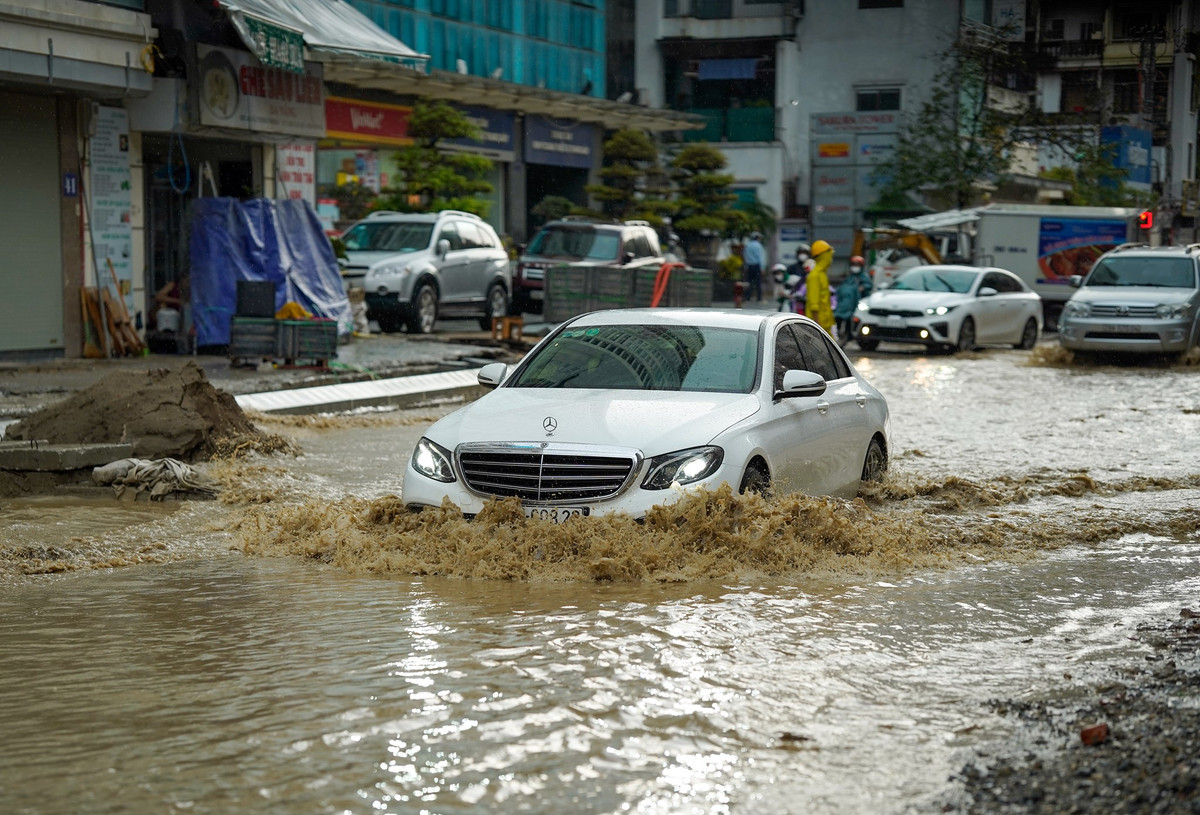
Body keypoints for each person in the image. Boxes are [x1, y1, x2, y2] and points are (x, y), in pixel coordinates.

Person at [834, 254, 873, 345]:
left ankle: (849, 335)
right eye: (853, 265)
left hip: (855, 304)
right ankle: (840, 334)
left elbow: (868, 286)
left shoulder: (864, 277)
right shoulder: (849, 277)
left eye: (857, 265)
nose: (855, 267)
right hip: (844, 304)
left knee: (849, 320)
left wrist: (862, 288)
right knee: (838, 318)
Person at [806, 239, 836, 337]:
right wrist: (817, 326)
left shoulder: (822, 274)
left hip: (826, 325)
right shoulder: (814, 276)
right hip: (819, 326)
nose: (831, 258)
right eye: (829, 255)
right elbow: (814, 304)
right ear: (824, 256)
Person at [743, 231, 765, 302]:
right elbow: (760, 258)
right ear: (757, 238)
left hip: (750, 266)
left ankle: (748, 297)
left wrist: (746, 266)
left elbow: (745, 256)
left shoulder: (748, 245)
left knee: (749, 282)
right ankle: (759, 298)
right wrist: (762, 268)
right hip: (756, 266)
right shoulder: (758, 245)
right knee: (758, 282)